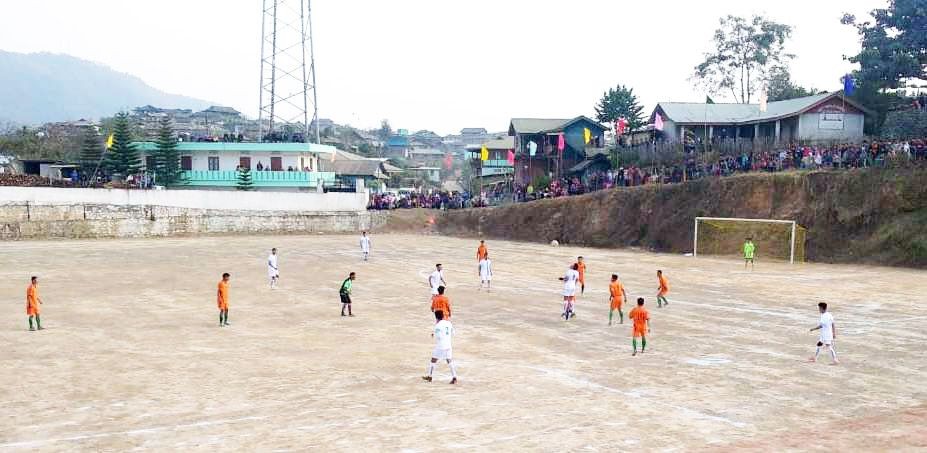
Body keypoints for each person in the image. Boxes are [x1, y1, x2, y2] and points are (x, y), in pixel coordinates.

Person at [422, 310, 458, 384]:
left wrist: (433, 335)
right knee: (449, 361)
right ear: (443, 316)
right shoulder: (448, 323)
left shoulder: (437, 325)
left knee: (433, 360)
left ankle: (430, 376)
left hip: (441, 346)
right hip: (448, 345)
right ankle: (454, 377)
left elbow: (439, 336)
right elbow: (453, 333)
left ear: (436, 317)